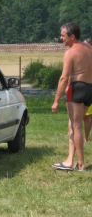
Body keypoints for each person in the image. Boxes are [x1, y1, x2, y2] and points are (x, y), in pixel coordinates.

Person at [51, 22, 92, 172]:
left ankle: (81, 163)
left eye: (63, 35)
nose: (61, 38)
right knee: (73, 125)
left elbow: (64, 78)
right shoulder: (89, 48)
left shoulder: (70, 52)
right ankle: (70, 159)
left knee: (76, 127)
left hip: (77, 88)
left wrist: (56, 101)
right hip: (89, 88)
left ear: (72, 36)